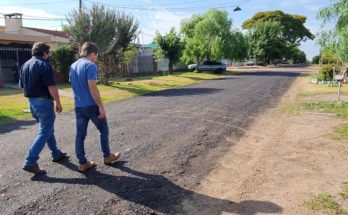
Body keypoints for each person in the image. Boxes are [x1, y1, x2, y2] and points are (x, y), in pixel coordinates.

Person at [69, 42, 120, 172]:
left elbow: (74, 86)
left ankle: (82, 163)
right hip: (91, 105)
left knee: (80, 135)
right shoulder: (90, 65)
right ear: (92, 54)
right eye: (96, 55)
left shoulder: (73, 66)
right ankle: (107, 156)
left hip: (78, 106)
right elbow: (93, 87)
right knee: (103, 130)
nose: (96, 58)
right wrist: (100, 105)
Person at [19, 42, 68, 175]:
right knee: (45, 131)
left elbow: (23, 85)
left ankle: (56, 153)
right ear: (44, 53)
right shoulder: (44, 65)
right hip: (44, 102)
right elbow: (51, 87)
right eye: (49, 53)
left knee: (47, 129)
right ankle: (30, 161)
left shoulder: (25, 65)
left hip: (32, 103)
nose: (49, 55)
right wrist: (58, 103)